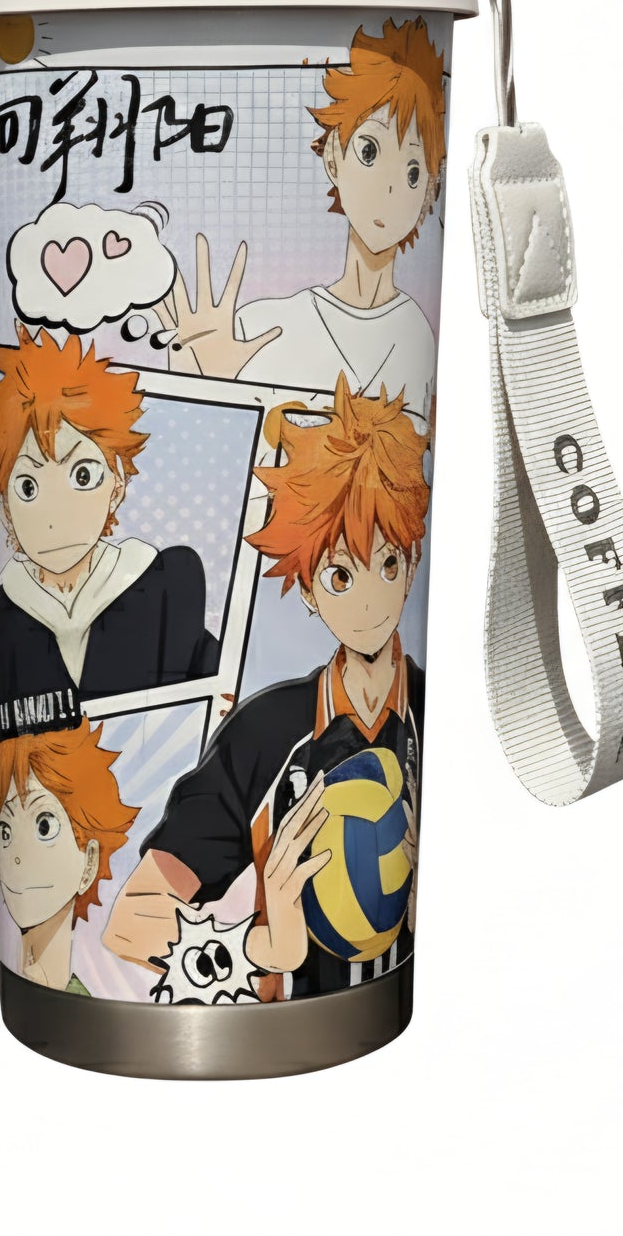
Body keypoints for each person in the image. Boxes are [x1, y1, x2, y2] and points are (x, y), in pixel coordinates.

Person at [103, 377, 428, 1000]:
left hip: (396, 1007)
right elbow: (131, 924)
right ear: (307, 588)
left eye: (388, 563)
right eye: (339, 575)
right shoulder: (266, 733)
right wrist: (262, 947)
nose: (369, 600)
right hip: (275, 1022)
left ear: (412, 564)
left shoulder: (427, 704)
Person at [153, 17, 445, 424]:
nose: (391, 187)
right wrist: (199, 382)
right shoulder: (263, 328)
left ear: (431, 188)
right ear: (333, 157)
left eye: (413, 170)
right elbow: (201, 450)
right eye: (369, 151)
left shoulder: (417, 333)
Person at [0, 325, 219, 736]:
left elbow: (216, 699)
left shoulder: (166, 585)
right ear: (3, 508)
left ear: (117, 485)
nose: (55, 516)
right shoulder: (4, 614)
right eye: (28, 487)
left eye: (83, 475)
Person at [0, 721, 139, 995]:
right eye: (6, 831)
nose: (18, 856)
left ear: (90, 862)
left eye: (44, 826)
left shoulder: (86, 1002)